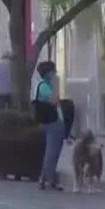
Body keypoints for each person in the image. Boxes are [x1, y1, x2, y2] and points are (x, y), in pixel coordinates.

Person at [34, 60, 66, 192]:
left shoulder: (47, 85)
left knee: (55, 151)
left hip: (57, 121)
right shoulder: (43, 86)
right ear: (47, 73)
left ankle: (46, 177)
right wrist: (57, 84)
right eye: (53, 71)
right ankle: (47, 178)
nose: (55, 73)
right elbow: (54, 101)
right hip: (52, 122)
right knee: (51, 151)